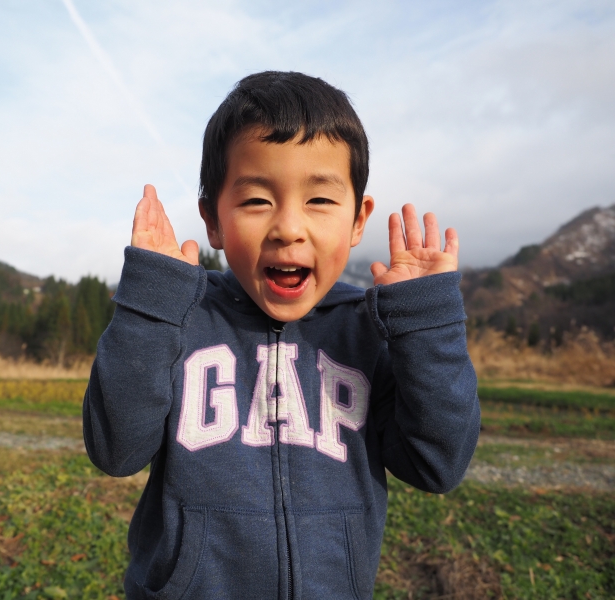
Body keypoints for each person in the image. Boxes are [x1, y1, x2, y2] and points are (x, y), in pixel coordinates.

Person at [83, 71, 480, 599]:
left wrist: (427, 326)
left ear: (359, 219)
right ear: (213, 221)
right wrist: (149, 309)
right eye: (255, 201)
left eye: (319, 201)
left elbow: (438, 464)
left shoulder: (371, 330)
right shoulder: (182, 317)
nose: (289, 227)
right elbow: (116, 449)